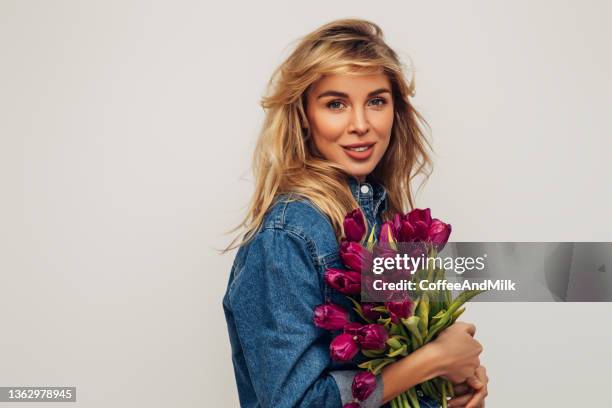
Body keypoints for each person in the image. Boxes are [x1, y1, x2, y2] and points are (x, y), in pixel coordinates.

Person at [222, 18, 489, 408]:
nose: (361, 125)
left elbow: (392, 378)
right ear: (303, 117)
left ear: (395, 111)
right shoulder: (289, 236)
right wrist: (433, 361)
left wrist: (456, 386)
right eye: (336, 104)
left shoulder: (386, 222)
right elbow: (294, 404)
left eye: (376, 101)